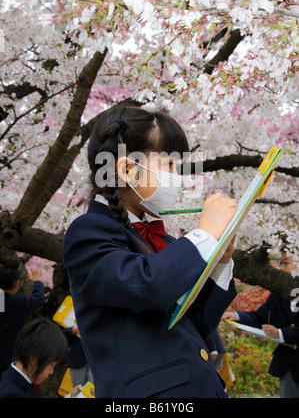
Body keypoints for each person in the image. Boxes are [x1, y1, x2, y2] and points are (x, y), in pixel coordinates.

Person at [63, 105, 238, 398]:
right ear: (127, 169)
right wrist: (205, 235)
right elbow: (148, 284)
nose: (178, 178)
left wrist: (220, 261)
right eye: (169, 165)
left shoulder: (166, 242)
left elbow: (195, 324)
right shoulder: (88, 231)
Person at [223, 249, 299, 398]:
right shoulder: (279, 293)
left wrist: (281, 334)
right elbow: (260, 317)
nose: (281, 268)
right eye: (280, 263)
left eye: (286, 263)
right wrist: (237, 315)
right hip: (289, 365)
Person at [0, 317, 82, 398]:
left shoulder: (26, 381)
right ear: (33, 358)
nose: (51, 372)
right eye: (52, 365)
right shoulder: (11, 394)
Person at [0, 265, 45, 380]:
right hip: (9, 359)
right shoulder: (19, 303)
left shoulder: (3, 302)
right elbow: (39, 298)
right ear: (16, 284)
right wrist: (38, 282)